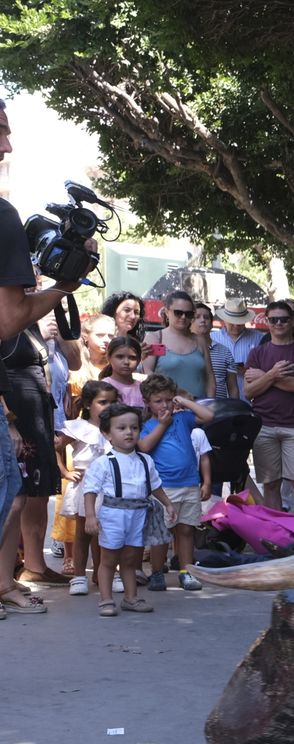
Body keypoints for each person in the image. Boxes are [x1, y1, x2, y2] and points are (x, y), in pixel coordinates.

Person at [0, 98, 95, 618]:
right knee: (10, 490)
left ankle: (24, 569)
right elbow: (7, 320)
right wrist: (65, 283)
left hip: (33, 408)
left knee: (22, 489)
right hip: (14, 404)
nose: (8, 146)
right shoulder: (2, 215)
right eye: (1, 132)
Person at [82, 403, 175, 617]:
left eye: (134, 428)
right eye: (121, 428)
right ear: (107, 434)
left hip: (138, 515)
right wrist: (90, 516)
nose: (129, 432)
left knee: (131, 559)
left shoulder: (145, 460)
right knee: (109, 559)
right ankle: (106, 599)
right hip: (113, 515)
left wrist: (167, 503)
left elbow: (155, 485)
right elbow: (91, 490)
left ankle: (130, 598)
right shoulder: (104, 462)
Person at [2, 311, 67, 592]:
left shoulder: (30, 321)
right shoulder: (6, 322)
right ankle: (6, 579)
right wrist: (8, 421)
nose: (30, 287)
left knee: (37, 494)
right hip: (15, 417)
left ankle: (34, 566)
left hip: (39, 415)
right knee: (14, 500)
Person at [136, 374, 214, 592]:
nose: (164, 405)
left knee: (186, 530)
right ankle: (157, 572)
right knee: (161, 534)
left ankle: (185, 571)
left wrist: (184, 400)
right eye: (158, 401)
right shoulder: (148, 425)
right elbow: (144, 447)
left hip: (189, 483)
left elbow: (208, 415)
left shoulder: (183, 418)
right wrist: (162, 425)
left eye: (168, 399)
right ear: (148, 403)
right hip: (164, 487)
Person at [245, 300, 294, 521]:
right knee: (271, 484)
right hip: (264, 425)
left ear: (292, 320)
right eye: (273, 319)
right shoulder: (257, 352)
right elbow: (249, 392)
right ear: (266, 321)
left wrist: (268, 377)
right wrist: (273, 374)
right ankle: (277, 538)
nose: (279, 323)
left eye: (283, 319)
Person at [62, 380, 118, 596]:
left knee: (102, 532)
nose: (109, 407)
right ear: (87, 404)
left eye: (113, 402)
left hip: (109, 486)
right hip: (86, 485)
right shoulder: (79, 428)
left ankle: (100, 573)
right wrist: (65, 472)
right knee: (83, 531)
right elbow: (57, 447)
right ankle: (78, 576)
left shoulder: (115, 428)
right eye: (103, 402)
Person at [139, 291, 214, 399]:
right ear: (167, 312)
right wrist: (176, 393)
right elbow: (148, 373)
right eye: (178, 312)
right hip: (166, 407)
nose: (183, 317)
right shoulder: (156, 338)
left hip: (199, 408)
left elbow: (210, 376)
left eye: (188, 314)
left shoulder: (200, 340)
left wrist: (209, 403)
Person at [193, 304, 239, 400]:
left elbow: (233, 388)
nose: (203, 320)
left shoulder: (225, 351)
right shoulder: (182, 349)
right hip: (188, 407)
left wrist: (234, 410)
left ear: (211, 324)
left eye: (206, 317)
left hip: (218, 409)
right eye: (197, 317)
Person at [211, 296, 264, 375]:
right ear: (224, 320)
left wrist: (249, 372)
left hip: (249, 386)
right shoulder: (212, 338)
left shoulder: (259, 338)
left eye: (239, 322)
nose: (236, 325)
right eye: (232, 322)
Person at [102, 336, 145, 407]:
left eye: (132, 358)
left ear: (139, 360)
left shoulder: (143, 388)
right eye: (120, 357)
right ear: (109, 358)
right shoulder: (103, 387)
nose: (126, 362)